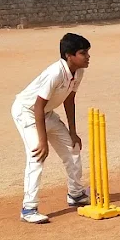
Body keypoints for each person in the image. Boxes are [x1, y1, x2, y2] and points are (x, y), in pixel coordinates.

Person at [11, 32, 91, 223]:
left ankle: (76, 194)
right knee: (37, 155)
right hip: (27, 112)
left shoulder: (78, 71)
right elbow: (38, 105)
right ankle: (28, 208)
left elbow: (70, 100)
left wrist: (73, 131)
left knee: (73, 148)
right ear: (68, 56)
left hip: (46, 114)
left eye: (87, 52)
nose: (88, 57)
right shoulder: (55, 73)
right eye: (83, 53)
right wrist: (42, 140)